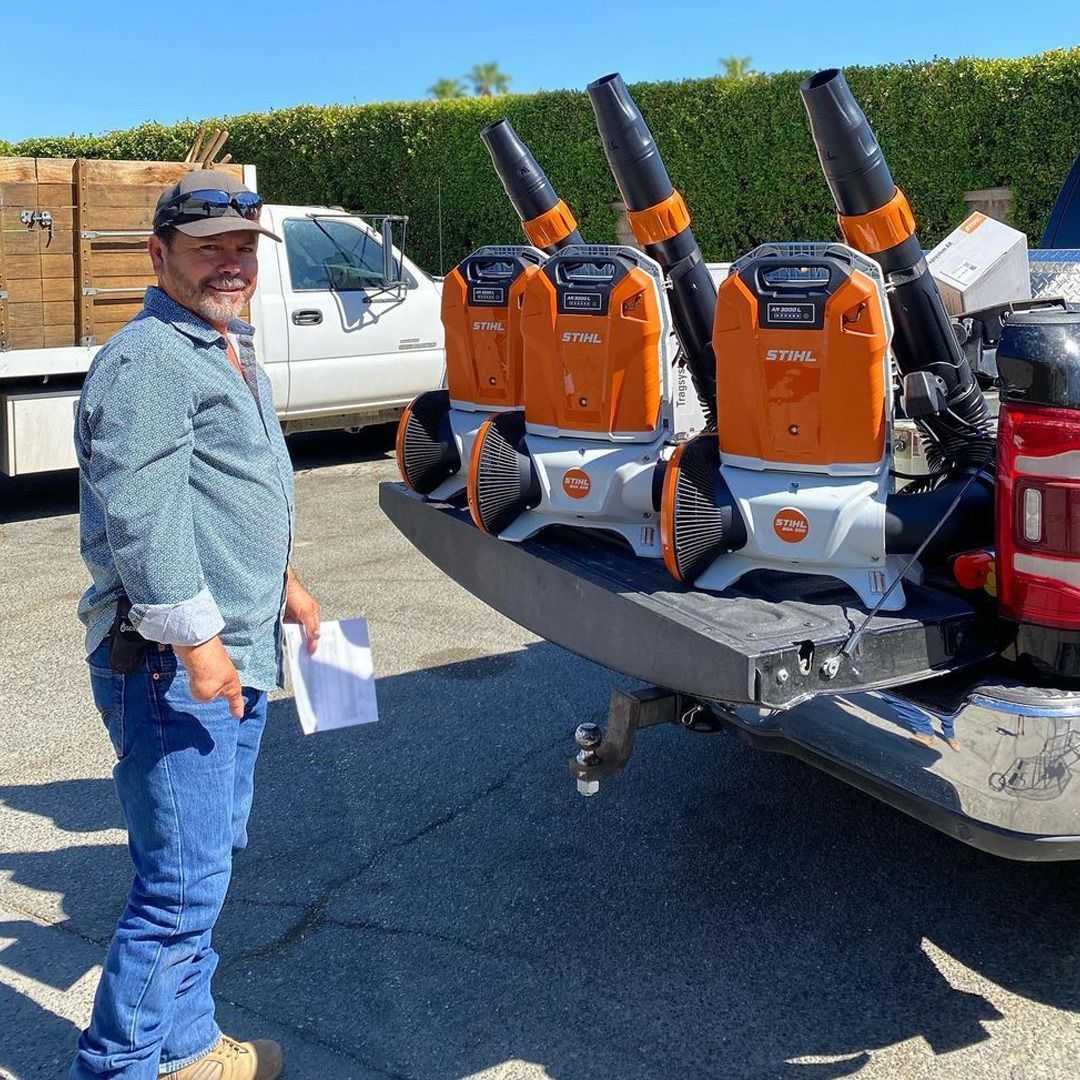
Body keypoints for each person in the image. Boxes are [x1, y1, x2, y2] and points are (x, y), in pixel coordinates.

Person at [71, 169, 322, 1080]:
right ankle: (120, 1067)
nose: (231, 263)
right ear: (159, 254)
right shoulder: (149, 360)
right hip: (174, 668)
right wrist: (201, 645)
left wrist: (287, 584)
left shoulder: (220, 342)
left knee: (202, 867)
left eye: (243, 247)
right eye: (207, 245)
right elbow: (143, 517)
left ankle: (187, 1047)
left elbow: (219, 494)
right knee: (177, 889)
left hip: (225, 651)